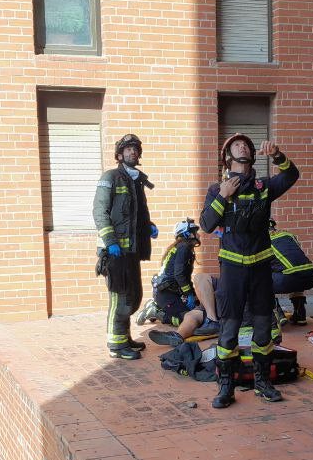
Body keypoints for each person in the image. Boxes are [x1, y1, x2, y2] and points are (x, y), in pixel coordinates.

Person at [200, 134, 300, 407]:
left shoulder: (263, 186)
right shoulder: (216, 190)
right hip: (232, 271)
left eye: (246, 144)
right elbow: (207, 225)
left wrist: (278, 156)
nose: (243, 146)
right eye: (236, 145)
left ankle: (262, 383)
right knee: (229, 330)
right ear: (227, 156)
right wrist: (223, 195)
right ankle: (226, 388)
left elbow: (291, 175)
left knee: (263, 329)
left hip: (260, 271)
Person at [93, 133, 157, 360]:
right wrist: (111, 242)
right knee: (119, 298)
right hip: (115, 251)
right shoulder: (111, 177)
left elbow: (135, 213)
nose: (132, 152)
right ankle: (116, 344)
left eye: (135, 149)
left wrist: (148, 225)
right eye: (128, 149)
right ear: (120, 154)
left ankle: (125, 337)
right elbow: (99, 212)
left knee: (134, 296)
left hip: (131, 250)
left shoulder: (136, 179)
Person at [148, 219, 221, 345]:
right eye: (195, 232)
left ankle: (176, 336)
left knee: (193, 313)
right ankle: (157, 312)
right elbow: (179, 274)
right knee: (182, 317)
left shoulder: (182, 247)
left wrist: (192, 295)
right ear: (187, 234)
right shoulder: (184, 247)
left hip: (170, 292)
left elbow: (183, 277)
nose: (198, 235)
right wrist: (189, 294)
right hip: (167, 294)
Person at [269, 220, 313, 325]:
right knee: (296, 270)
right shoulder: (287, 234)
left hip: (288, 279)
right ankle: (300, 314)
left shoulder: (261, 240)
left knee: (259, 280)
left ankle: (278, 315)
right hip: (310, 276)